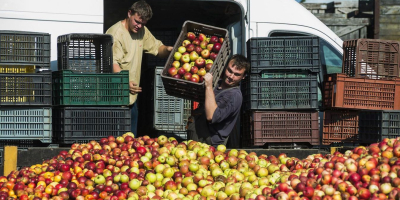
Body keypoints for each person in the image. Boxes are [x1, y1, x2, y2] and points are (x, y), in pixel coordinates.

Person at [106, 0, 173, 137]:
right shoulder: (116, 34)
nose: (139, 26)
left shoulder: (142, 31)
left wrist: (169, 49)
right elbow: (113, 63)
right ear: (129, 13)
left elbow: (156, 48)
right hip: (115, 98)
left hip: (131, 97)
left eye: (143, 23)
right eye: (137, 21)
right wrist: (125, 82)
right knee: (117, 143)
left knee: (132, 142)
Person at [187, 54, 250, 147]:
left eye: (237, 74)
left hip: (208, 143)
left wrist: (208, 86)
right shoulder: (217, 83)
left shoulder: (234, 95)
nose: (231, 76)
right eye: (229, 71)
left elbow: (211, 116)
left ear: (243, 76)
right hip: (197, 135)